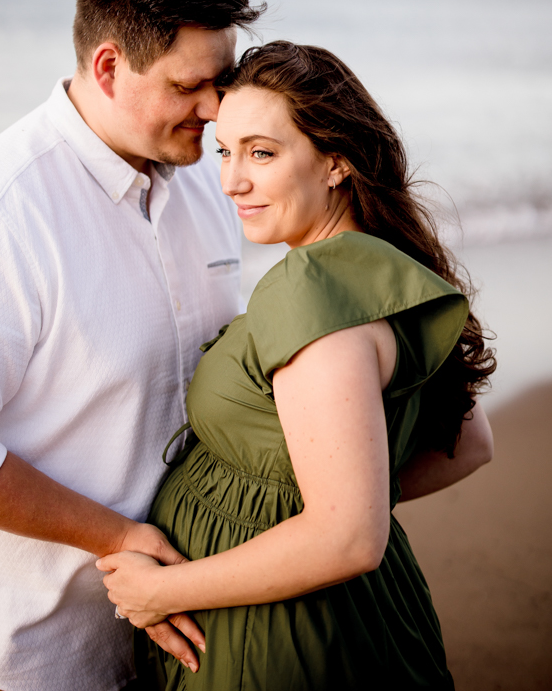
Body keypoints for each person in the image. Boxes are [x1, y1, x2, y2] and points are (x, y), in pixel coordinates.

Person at [0, 0, 264, 691]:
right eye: (188, 86)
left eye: (223, 80)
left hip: (161, 635)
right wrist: (116, 536)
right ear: (108, 66)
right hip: (16, 654)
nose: (214, 110)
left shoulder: (208, 179)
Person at [98, 41, 496, 690]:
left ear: (335, 160)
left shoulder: (307, 288)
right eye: (225, 151)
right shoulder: (385, 267)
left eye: (262, 152)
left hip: (275, 636)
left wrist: (164, 589)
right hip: (346, 610)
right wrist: (339, 502)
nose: (231, 180)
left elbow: (348, 539)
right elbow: (470, 442)